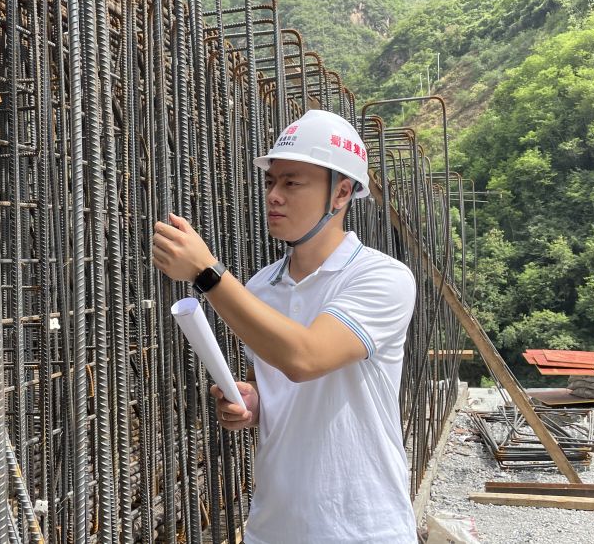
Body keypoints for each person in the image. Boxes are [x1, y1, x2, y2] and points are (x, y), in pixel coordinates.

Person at [152, 109, 417, 543]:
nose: (274, 195)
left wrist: (207, 273)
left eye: (292, 183)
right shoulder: (260, 287)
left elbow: (304, 358)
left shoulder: (382, 277)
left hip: (362, 528)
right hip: (274, 526)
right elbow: (275, 383)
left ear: (341, 193)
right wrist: (252, 403)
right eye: (271, 181)